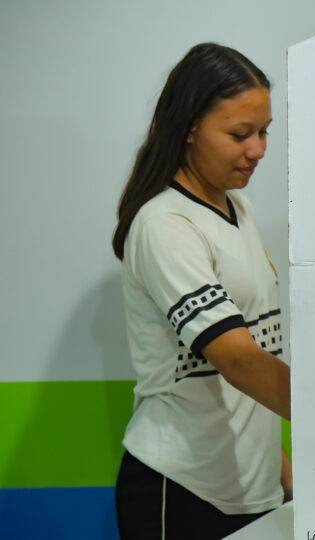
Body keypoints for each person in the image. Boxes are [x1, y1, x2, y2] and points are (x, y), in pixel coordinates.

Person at [112, 42, 291, 539]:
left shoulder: (240, 210)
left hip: (253, 490)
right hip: (184, 490)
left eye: (263, 132)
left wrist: (285, 473)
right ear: (190, 127)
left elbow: (254, 357)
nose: (257, 149)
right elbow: (236, 360)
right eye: (239, 134)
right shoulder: (164, 224)